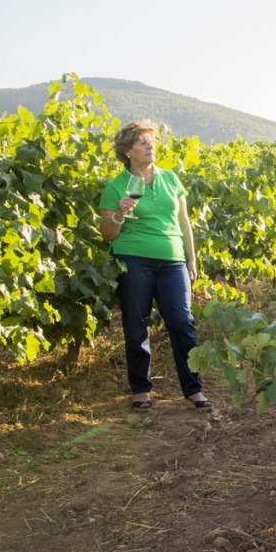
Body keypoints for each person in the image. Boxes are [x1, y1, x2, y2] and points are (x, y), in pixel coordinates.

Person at [99, 120, 210, 411]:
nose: (150, 146)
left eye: (151, 141)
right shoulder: (116, 186)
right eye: (142, 142)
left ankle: (193, 389)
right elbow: (108, 233)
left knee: (182, 322)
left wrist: (191, 259)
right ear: (127, 151)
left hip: (172, 258)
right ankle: (141, 389)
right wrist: (121, 213)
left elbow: (184, 223)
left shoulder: (171, 179)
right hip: (133, 258)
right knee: (137, 324)